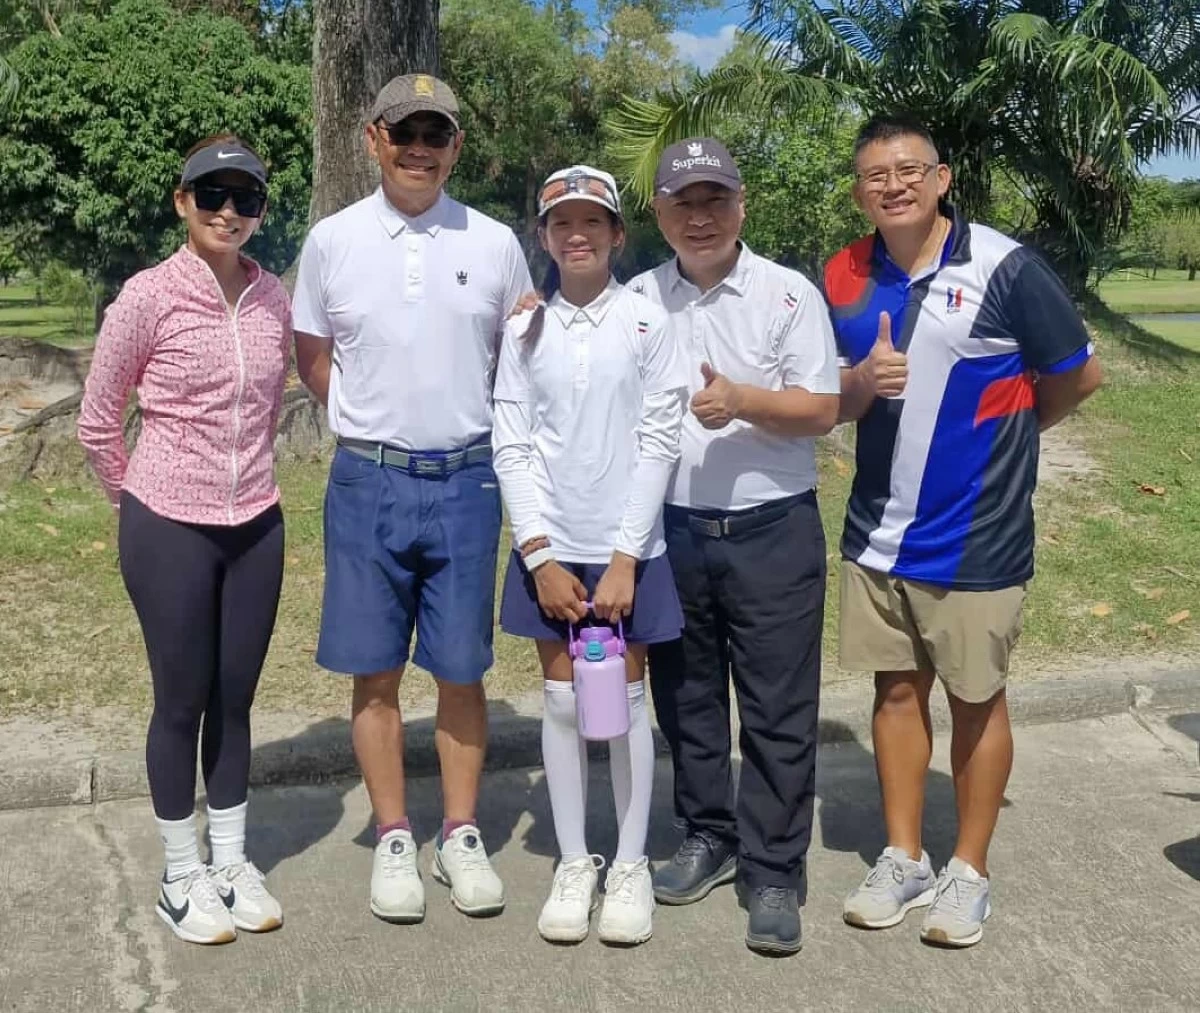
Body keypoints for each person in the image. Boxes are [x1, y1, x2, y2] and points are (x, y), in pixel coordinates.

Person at [826, 113, 1103, 948]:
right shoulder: (842, 274)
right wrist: (859, 379)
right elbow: (830, 393)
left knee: (977, 700)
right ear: (859, 193)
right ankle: (904, 855)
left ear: (943, 178)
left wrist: (1007, 448)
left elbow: (1077, 376)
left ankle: (969, 871)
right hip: (876, 531)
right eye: (876, 175)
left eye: (910, 169)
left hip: (976, 536)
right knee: (894, 690)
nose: (894, 184)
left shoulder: (1004, 265)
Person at [291, 74, 532, 924]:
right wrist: (370, 425)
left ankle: (458, 832)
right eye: (406, 132)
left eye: (437, 133)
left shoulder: (498, 242)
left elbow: (521, 354)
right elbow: (314, 353)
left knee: (462, 669)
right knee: (376, 669)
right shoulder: (331, 240)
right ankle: (395, 832)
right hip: (369, 480)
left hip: (468, 480)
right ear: (374, 139)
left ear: (456, 146)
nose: (421, 147)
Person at [78, 135, 292, 945]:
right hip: (167, 522)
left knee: (236, 698)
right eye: (213, 196)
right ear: (182, 201)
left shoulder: (273, 298)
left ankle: (230, 861)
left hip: (256, 523)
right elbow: (99, 422)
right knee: (182, 699)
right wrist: (137, 503)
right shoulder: (148, 296)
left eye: (246, 199)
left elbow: (269, 408)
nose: (229, 212)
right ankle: (179, 872)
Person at [629, 139, 841, 956]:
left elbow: (822, 408)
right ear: (661, 214)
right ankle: (707, 834)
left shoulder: (787, 295)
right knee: (687, 703)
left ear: (741, 205)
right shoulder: (640, 297)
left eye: (715, 197)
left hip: (772, 528)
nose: (700, 214)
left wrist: (743, 401)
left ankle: (775, 867)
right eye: (683, 200)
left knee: (778, 709)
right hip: (674, 530)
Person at [494, 166, 687, 946]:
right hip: (551, 545)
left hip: (626, 549)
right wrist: (538, 554)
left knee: (623, 703)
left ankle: (631, 862)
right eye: (560, 223)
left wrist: (625, 557)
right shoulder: (524, 329)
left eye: (592, 222)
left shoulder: (646, 322)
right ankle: (576, 860)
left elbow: (659, 438)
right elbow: (511, 439)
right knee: (567, 702)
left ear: (615, 234)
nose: (577, 235)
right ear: (543, 237)